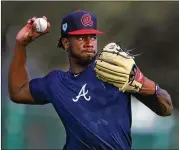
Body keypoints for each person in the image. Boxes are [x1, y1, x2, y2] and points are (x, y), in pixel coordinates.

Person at [8, 10, 173, 150]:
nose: (89, 43)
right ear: (65, 43)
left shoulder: (115, 71)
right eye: (81, 37)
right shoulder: (56, 82)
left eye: (92, 37)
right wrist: (21, 45)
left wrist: (143, 83)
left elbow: (166, 109)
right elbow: (18, 91)